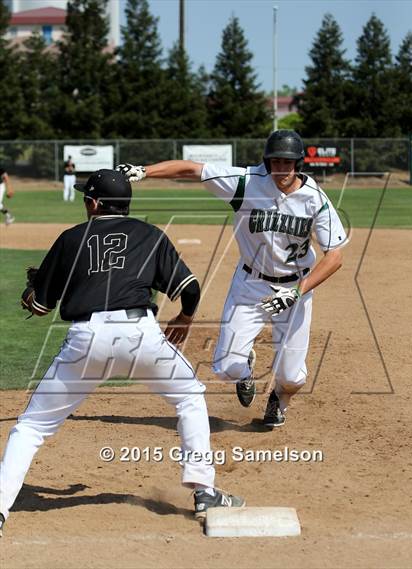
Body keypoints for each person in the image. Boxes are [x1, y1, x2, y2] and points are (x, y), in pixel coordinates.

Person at [0, 169, 244, 538]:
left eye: (87, 198)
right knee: (190, 398)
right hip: (141, 335)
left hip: (87, 338)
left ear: (95, 203)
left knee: (31, 427)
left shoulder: (71, 238)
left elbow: (40, 306)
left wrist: (31, 293)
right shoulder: (150, 235)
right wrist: (185, 318)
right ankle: (204, 491)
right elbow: (190, 288)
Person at [116, 129, 347, 429]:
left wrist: (296, 293)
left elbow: (335, 256)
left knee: (293, 377)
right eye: (275, 162)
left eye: (288, 162)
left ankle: (279, 397)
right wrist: (144, 171)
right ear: (267, 162)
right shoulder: (246, 182)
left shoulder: (314, 199)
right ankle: (246, 368)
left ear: (299, 163)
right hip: (250, 285)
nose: (281, 169)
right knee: (226, 368)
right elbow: (191, 169)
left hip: (295, 288)